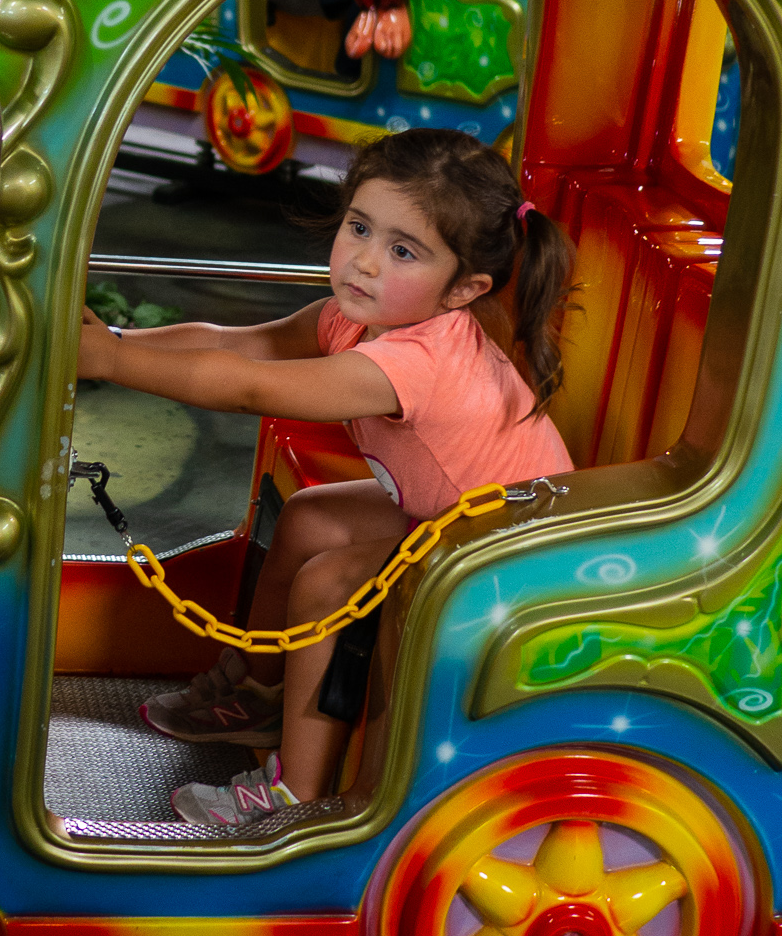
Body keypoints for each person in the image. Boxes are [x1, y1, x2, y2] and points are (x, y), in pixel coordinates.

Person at [76, 128, 575, 828]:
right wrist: (116, 343)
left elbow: (248, 387)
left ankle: (295, 796)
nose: (364, 261)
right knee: (310, 517)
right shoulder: (352, 318)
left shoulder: (414, 361)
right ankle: (257, 694)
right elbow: (240, 343)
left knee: (328, 582)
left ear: (464, 289)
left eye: (403, 251)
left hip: (508, 554)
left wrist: (110, 364)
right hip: (455, 514)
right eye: (359, 228)